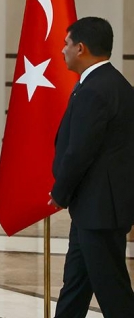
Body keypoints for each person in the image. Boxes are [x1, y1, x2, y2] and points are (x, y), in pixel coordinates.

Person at [49, 17, 134, 318]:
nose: (63, 50)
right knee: (75, 284)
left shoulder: (96, 89)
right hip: (93, 208)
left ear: (81, 48)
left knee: (112, 290)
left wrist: (60, 192)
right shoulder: (112, 83)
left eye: (66, 44)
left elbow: (80, 151)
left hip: (100, 210)